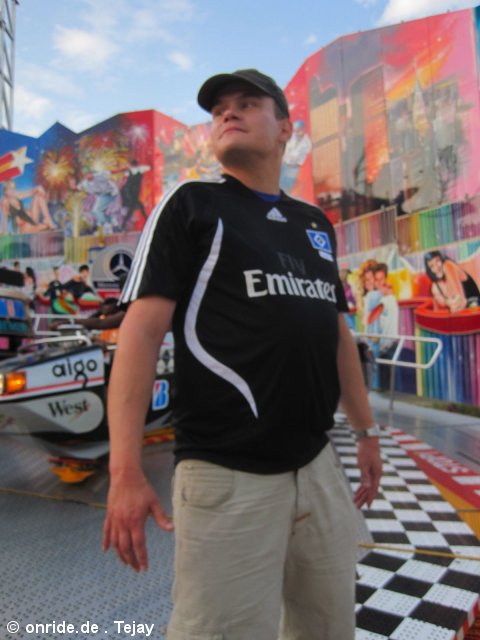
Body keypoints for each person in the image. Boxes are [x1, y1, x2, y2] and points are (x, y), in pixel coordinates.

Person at [102, 69, 382, 640]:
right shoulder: (191, 204)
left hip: (317, 466)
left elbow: (337, 337)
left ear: (285, 128)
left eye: (248, 103)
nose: (228, 113)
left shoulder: (314, 224)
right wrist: (125, 470)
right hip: (226, 472)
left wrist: (366, 431)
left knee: (329, 628)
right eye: (219, 109)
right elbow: (140, 335)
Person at [373, 263, 399, 390]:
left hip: (389, 346)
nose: (379, 283)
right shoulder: (384, 298)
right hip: (384, 347)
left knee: (386, 386)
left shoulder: (386, 300)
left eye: (381, 279)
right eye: (376, 280)